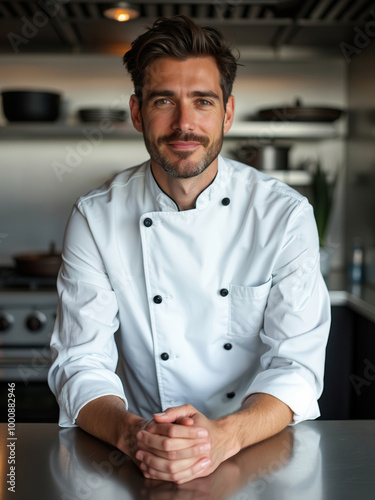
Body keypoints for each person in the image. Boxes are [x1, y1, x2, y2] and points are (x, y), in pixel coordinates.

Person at [48, 15, 330, 484]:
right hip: (141, 454)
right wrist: (132, 434)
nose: (184, 124)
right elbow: (80, 362)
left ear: (228, 112)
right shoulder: (95, 217)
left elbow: (296, 366)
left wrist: (225, 436)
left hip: (255, 453)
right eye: (164, 101)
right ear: (138, 112)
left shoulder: (284, 215)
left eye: (203, 101)